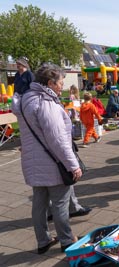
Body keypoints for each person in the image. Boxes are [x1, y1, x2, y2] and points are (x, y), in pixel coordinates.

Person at [11, 62, 81, 254]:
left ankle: (43, 240)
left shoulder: (27, 98)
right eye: (60, 82)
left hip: (33, 162)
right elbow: (57, 139)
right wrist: (73, 165)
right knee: (60, 203)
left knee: (39, 204)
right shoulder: (46, 103)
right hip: (52, 162)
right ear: (50, 83)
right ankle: (67, 240)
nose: (62, 86)